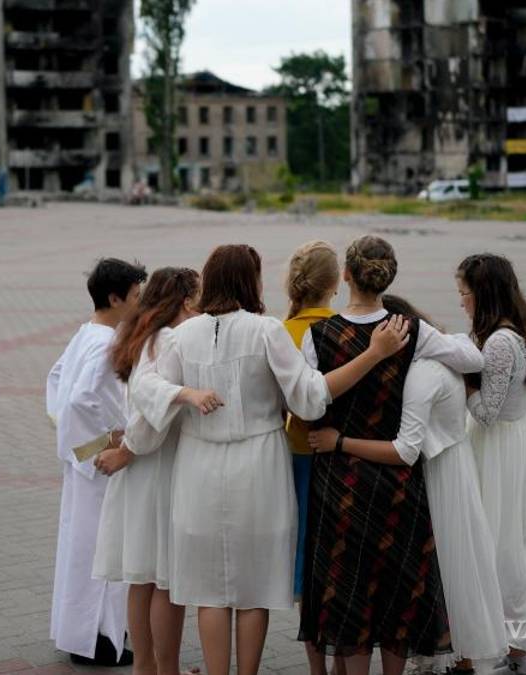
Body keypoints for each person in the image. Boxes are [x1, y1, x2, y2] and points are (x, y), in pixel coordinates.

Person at [133, 244, 412, 675]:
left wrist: (184, 395)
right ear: (252, 282)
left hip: (199, 466)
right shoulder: (266, 331)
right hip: (258, 464)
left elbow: (145, 387)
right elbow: (310, 397)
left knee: (209, 590)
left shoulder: (182, 335)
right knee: (254, 587)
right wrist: (373, 354)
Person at [298, 235, 484, 675]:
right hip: (397, 483)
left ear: (345, 275)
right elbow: (471, 356)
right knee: (399, 591)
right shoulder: (409, 330)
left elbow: (308, 404)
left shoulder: (319, 334)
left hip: (338, 481)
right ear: (388, 277)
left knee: (347, 593)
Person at [92, 267, 215, 675]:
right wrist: (129, 450)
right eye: (198, 299)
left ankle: (148, 666)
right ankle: (166, 669)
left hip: (145, 470)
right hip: (158, 466)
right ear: (184, 301)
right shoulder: (171, 338)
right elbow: (151, 406)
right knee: (165, 578)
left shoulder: (144, 335)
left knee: (143, 577)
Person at [46, 257, 147, 666]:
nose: (140, 304)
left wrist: (72, 444)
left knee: (82, 548)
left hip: (84, 462)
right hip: (101, 464)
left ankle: (83, 635)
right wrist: (107, 438)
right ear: (115, 297)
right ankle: (100, 642)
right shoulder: (106, 343)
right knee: (102, 550)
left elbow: (55, 380)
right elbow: (77, 398)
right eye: (136, 296)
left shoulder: (87, 333)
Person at [457, 254, 526, 675]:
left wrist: (458, 379)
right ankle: (511, 645)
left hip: (492, 447)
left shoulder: (497, 343)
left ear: (484, 293)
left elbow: (486, 412)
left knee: (490, 542)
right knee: (507, 541)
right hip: (512, 443)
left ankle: (492, 646)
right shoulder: (515, 330)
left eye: (465, 293)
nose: (461, 301)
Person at [281, 241, 345, 675]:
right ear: (337, 283)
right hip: (343, 455)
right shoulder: (346, 328)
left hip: (296, 454)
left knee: (307, 562)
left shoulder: (282, 331)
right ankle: (346, 662)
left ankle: (316, 667)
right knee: (339, 563)